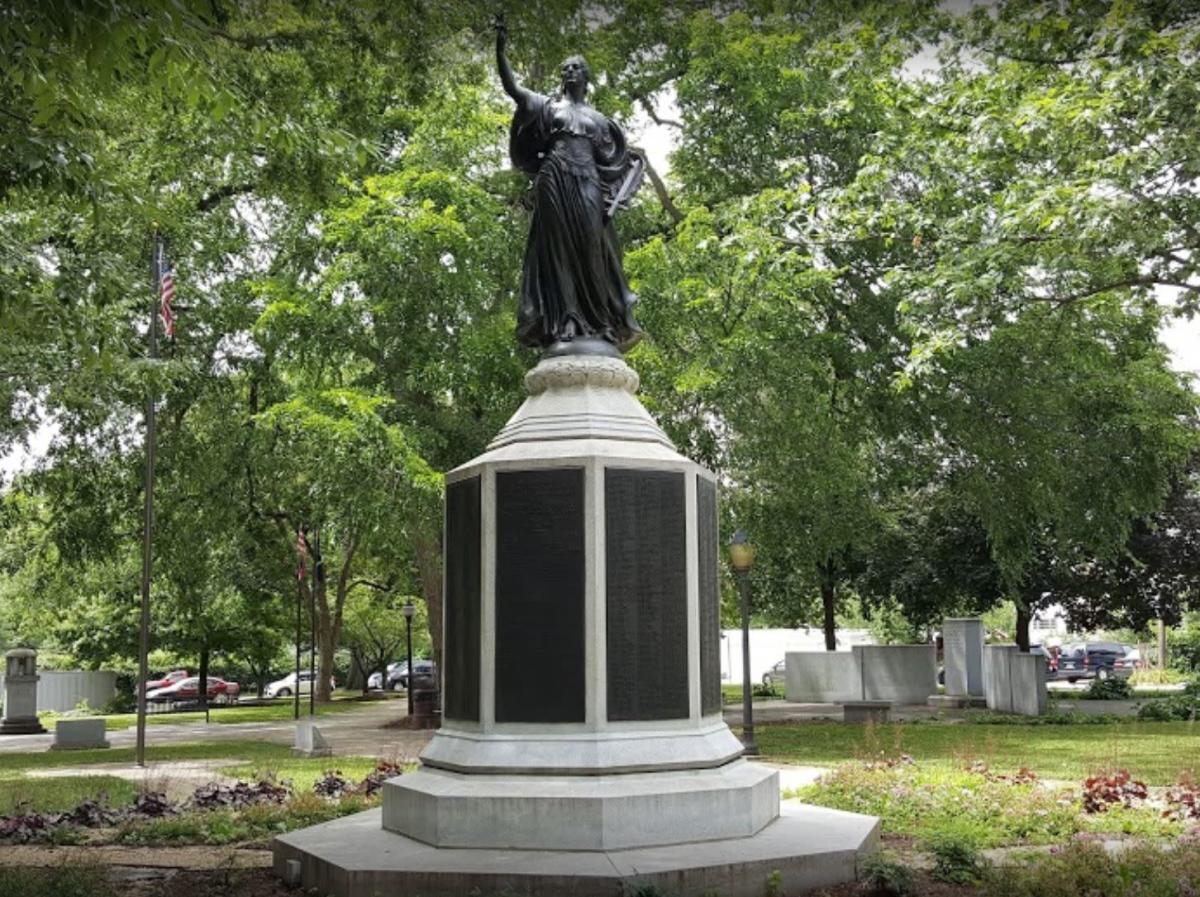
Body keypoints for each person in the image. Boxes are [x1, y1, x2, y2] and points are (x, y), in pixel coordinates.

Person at [495, 14, 644, 356]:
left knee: (593, 247)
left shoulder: (600, 121)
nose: (570, 72)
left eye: (576, 67)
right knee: (558, 250)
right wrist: (500, 47)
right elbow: (513, 89)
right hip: (554, 178)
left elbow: (617, 164)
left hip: (588, 180)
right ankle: (566, 322)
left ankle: (601, 323)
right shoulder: (548, 107)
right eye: (565, 68)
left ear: (587, 77)